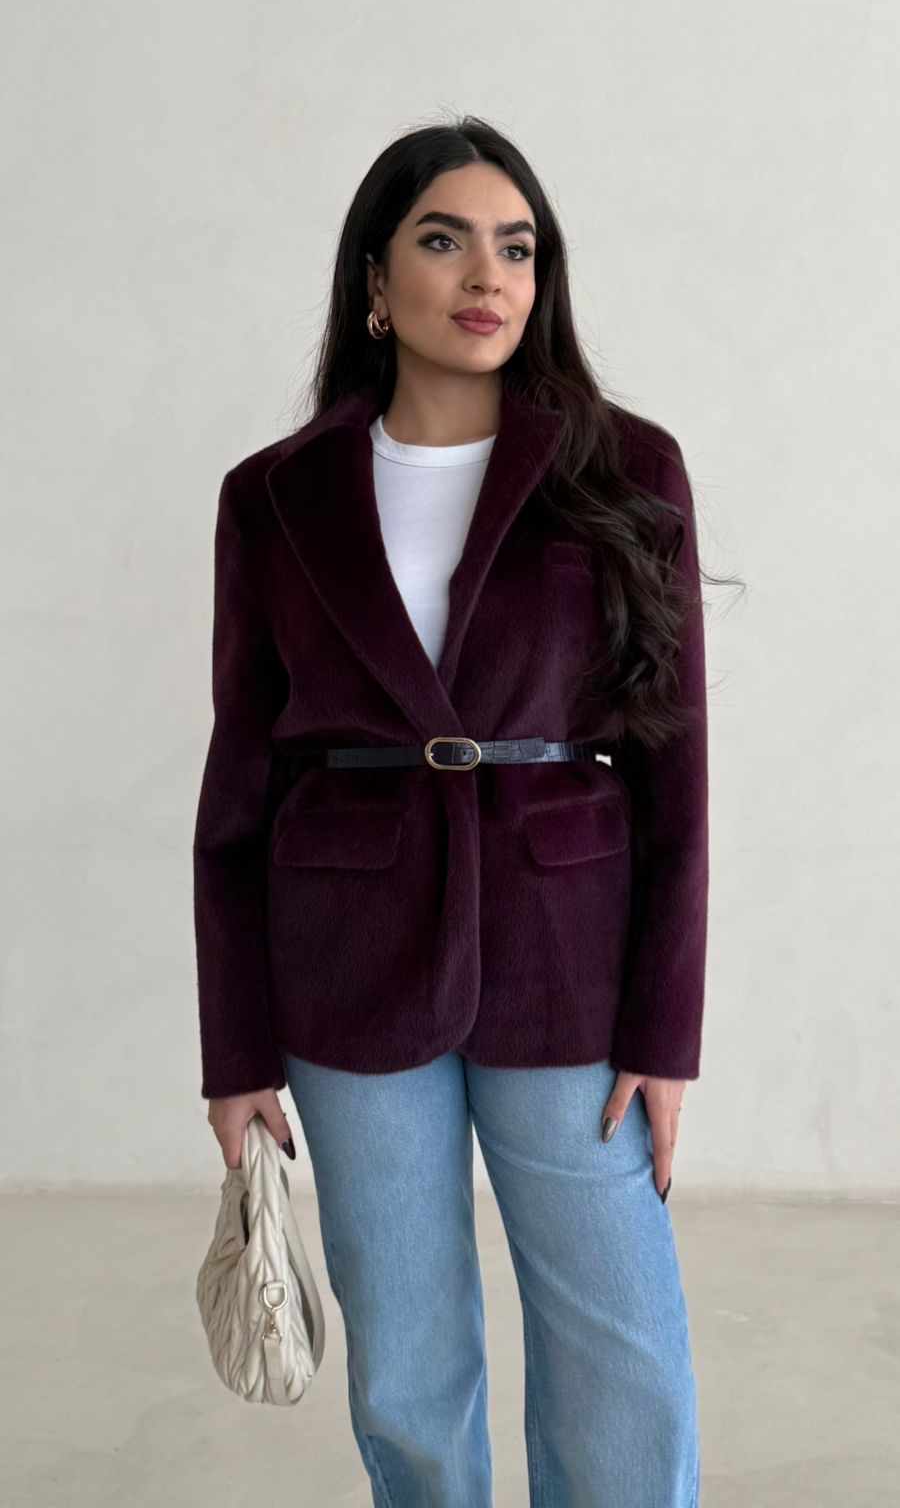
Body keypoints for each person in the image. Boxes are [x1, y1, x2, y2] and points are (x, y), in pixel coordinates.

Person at [193, 114, 722, 1506]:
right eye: (445, 240)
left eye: (517, 247)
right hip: (345, 965)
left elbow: (676, 771)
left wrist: (665, 1028)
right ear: (377, 278)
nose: (488, 275)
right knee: (407, 1362)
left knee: (623, 1351)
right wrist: (234, 1048)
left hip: (568, 957)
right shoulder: (274, 497)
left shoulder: (628, 470)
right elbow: (239, 784)